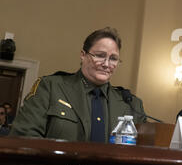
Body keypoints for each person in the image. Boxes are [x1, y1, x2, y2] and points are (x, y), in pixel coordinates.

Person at [9, 27, 147, 143]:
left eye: (113, 59)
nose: (106, 64)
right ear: (83, 55)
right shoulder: (51, 87)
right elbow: (23, 138)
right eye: (99, 55)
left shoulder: (131, 104)